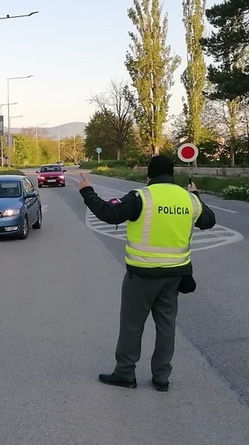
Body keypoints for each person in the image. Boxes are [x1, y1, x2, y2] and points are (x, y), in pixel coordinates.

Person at [78, 155, 216, 392]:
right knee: (166, 326)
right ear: (172, 173)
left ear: (149, 174)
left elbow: (108, 214)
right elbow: (209, 221)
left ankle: (125, 373)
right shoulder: (189, 199)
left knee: (132, 325)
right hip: (174, 276)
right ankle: (161, 377)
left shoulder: (141, 197)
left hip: (142, 275)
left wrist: (87, 191)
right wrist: (196, 194)